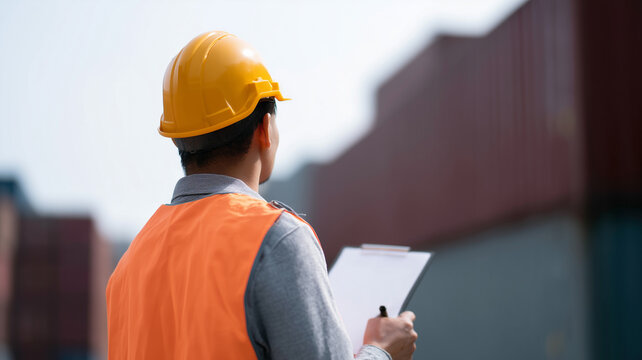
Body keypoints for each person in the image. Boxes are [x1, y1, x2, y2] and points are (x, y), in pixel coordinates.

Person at [106, 31, 418, 360]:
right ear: (265, 129)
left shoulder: (128, 267)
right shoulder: (276, 240)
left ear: (176, 139)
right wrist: (381, 350)